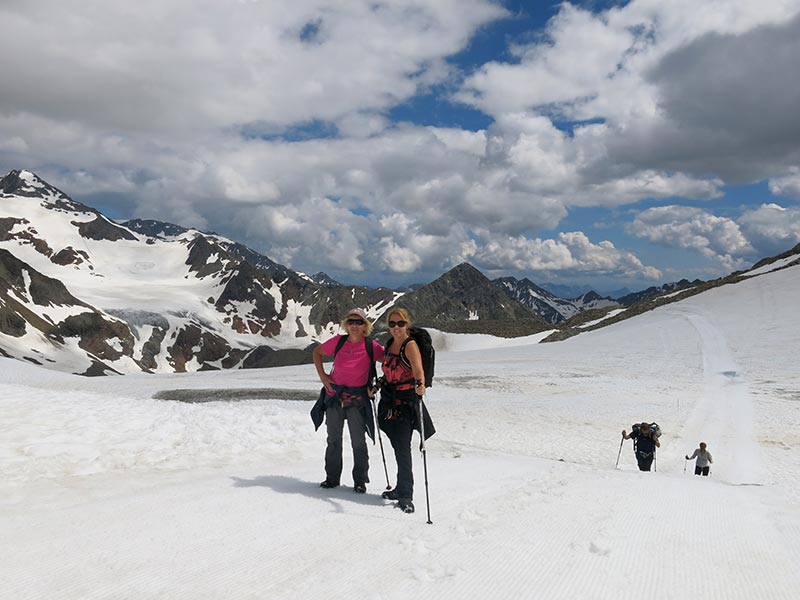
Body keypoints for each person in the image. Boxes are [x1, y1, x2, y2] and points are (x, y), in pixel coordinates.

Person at [313, 308, 384, 493]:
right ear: (347, 324)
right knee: (333, 439)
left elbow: (389, 362)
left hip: (357, 399)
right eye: (351, 322)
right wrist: (324, 377)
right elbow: (317, 353)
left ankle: (360, 480)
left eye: (358, 322)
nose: (354, 325)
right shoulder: (338, 341)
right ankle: (332, 478)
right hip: (335, 397)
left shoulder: (371, 346)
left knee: (358, 441)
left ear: (364, 326)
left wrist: (378, 385)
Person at [376, 308, 434, 514]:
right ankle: (400, 488)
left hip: (405, 403)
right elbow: (388, 371)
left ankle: (406, 495)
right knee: (398, 445)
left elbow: (418, 371)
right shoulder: (390, 344)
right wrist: (378, 385)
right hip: (391, 400)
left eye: (400, 324)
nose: (396, 328)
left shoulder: (410, 345)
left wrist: (420, 385)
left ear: (407, 325)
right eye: (392, 324)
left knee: (402, 448)